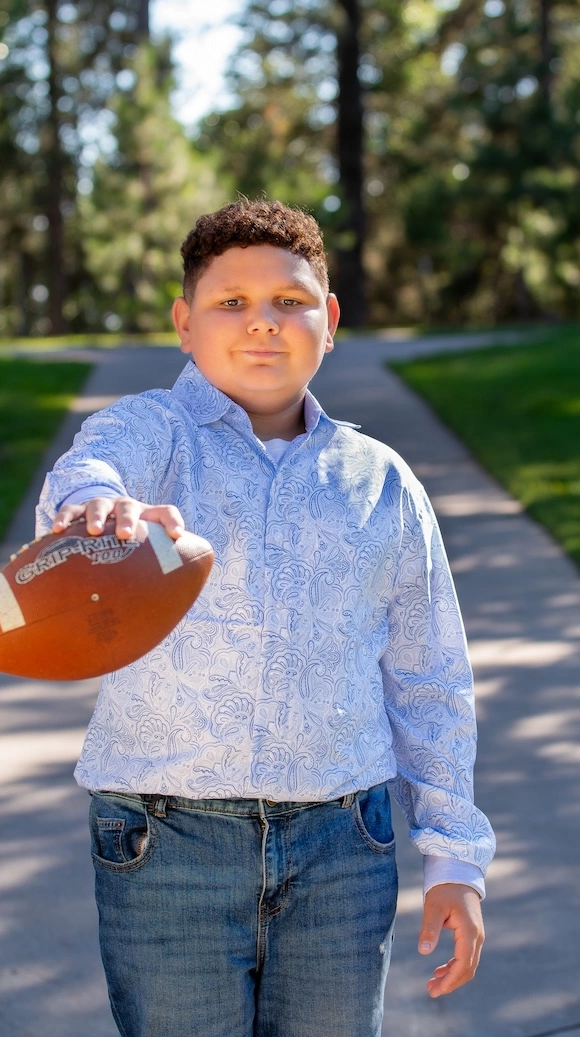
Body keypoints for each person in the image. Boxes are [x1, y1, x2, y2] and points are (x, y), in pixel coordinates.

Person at [36, 199, 495, 1037]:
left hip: (343, 846)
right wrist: (95, 504)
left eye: (289, 301)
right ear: (184, 323)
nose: (263, 324)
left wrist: (455, 852)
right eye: (231, 302)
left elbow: (429, 673)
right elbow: (91, 466)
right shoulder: (155, 433)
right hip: (165, 838)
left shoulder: (382, 482)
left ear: (330, 319)